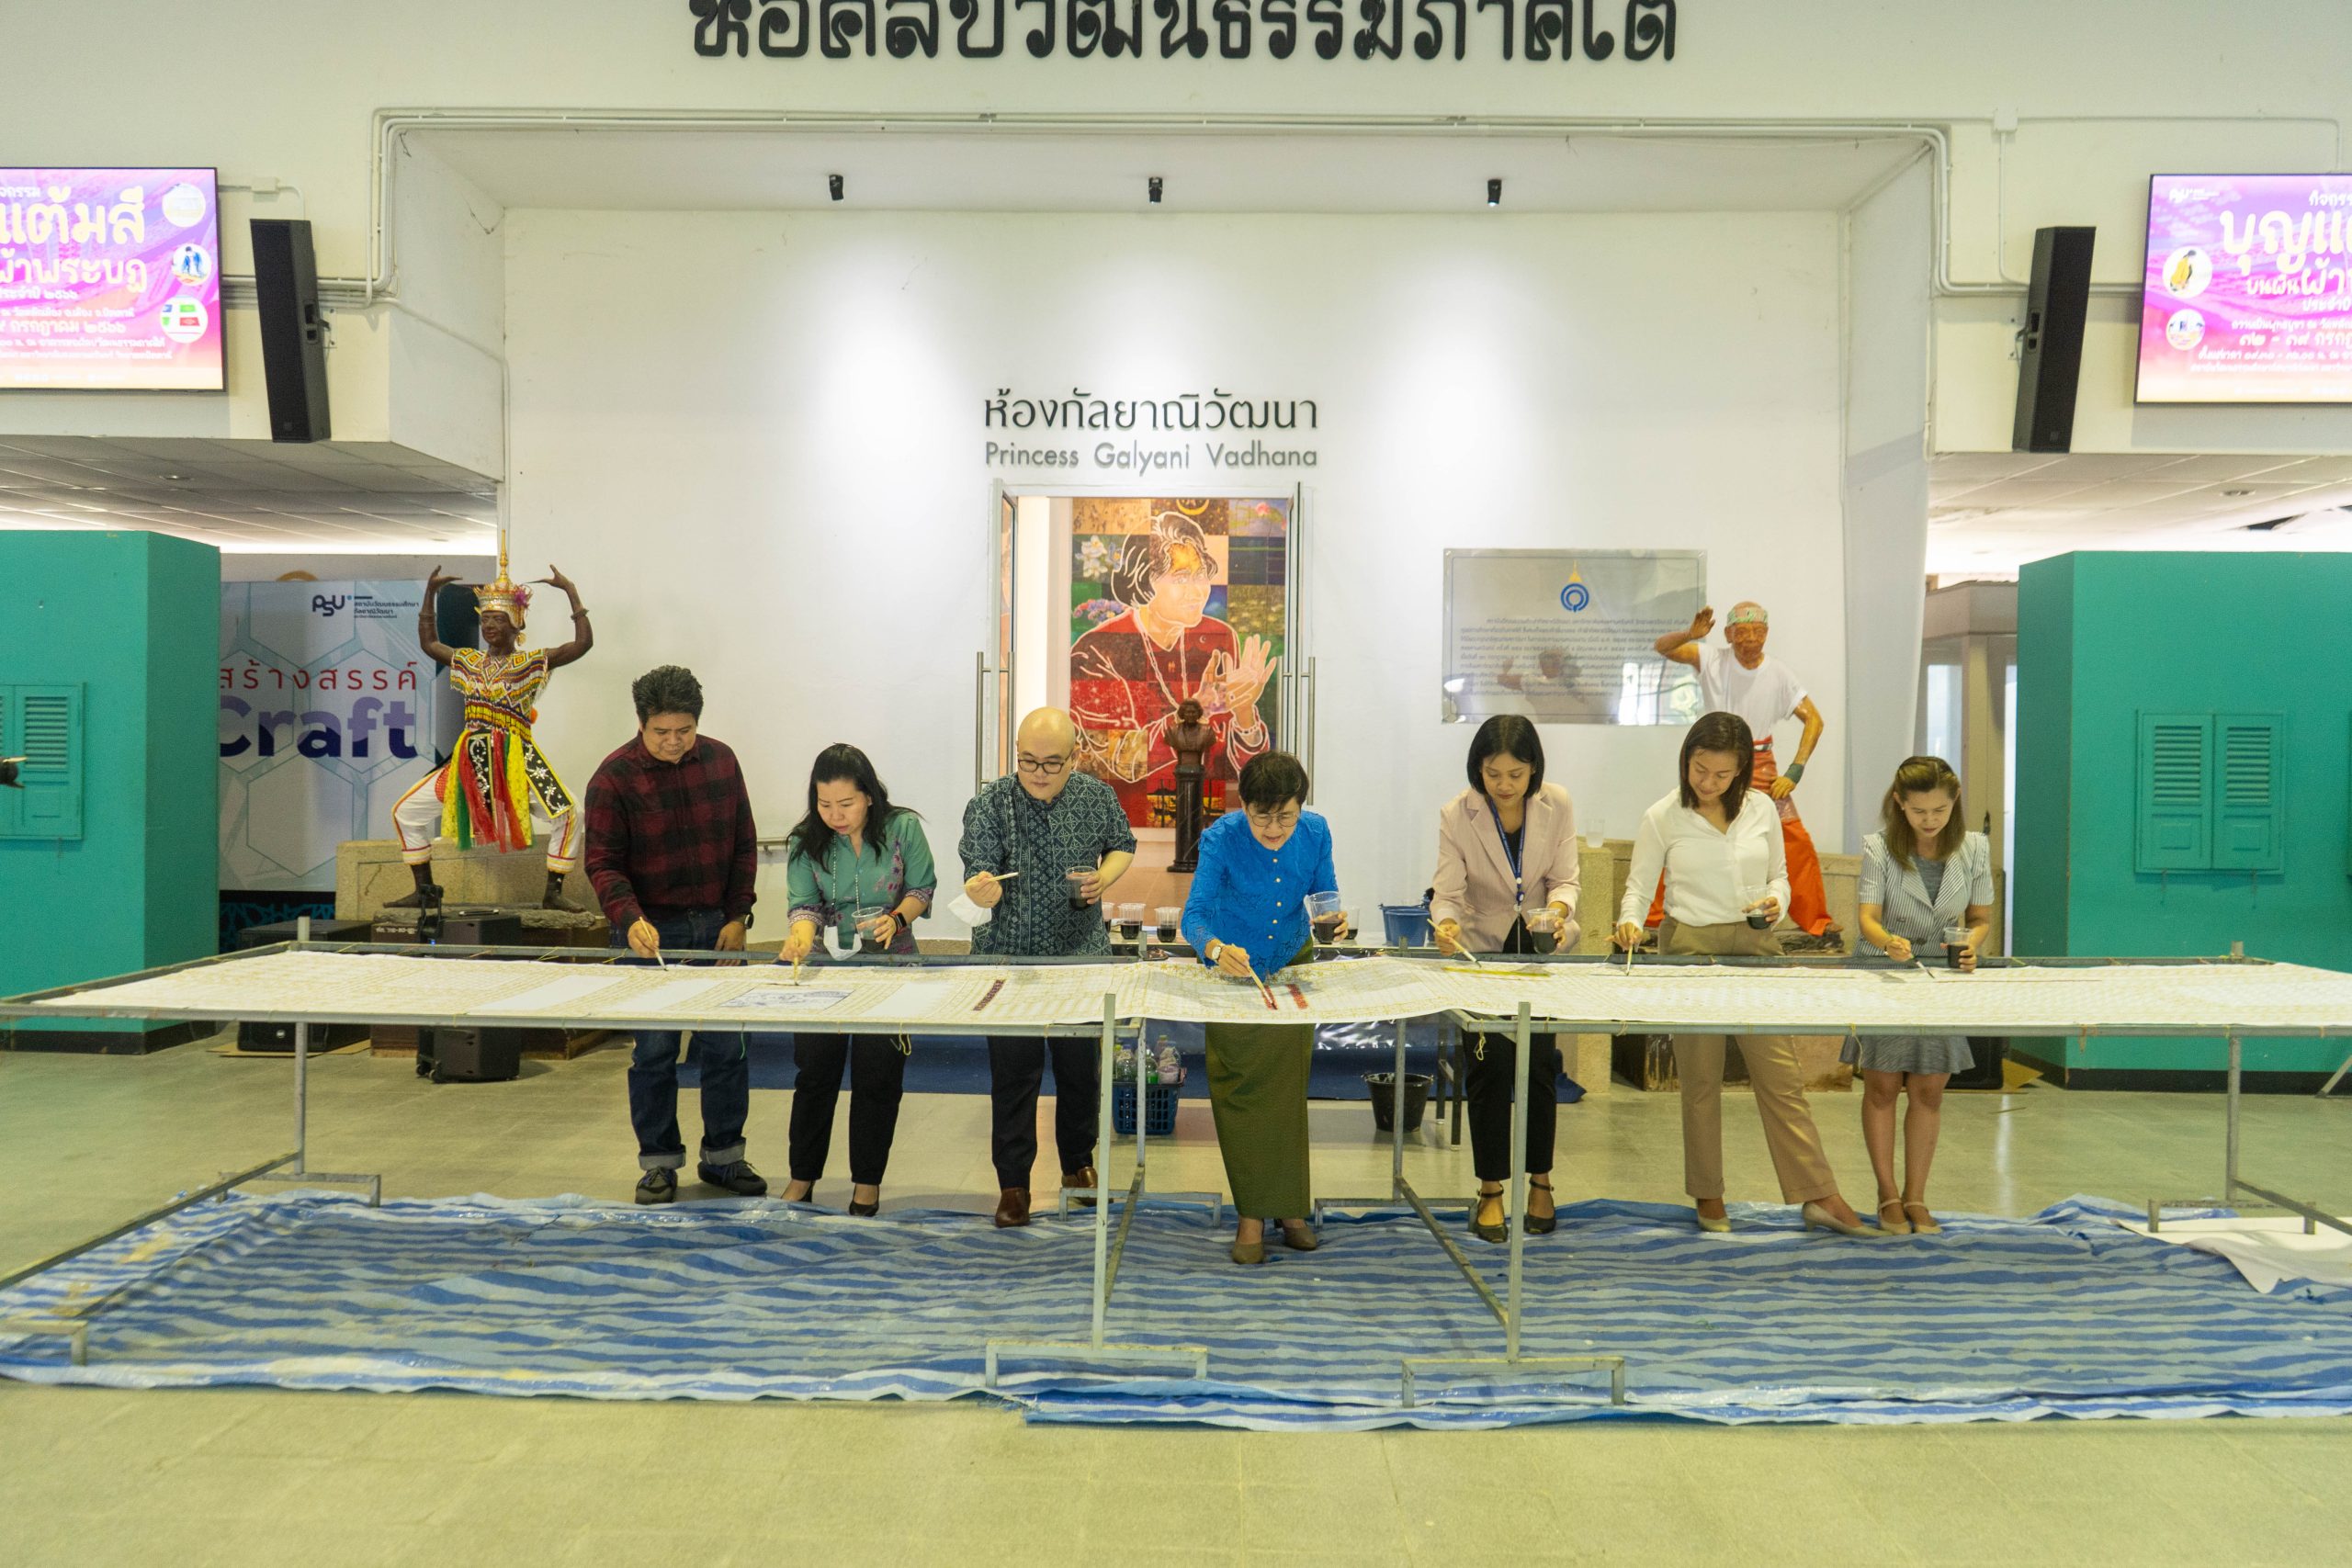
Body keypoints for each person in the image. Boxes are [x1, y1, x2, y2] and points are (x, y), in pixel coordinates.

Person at [1614, 712, 1871, 1237]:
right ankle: (1708, 1194)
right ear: (1686, 760)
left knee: (1780, 1077)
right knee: (1700, 1080)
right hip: (1690, 946)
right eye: (1699, 769)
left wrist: (1776, 902)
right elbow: (1638, 889)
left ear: (1741, 773)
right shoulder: (1663, 815)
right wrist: (1629, 924)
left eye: (1721, 774)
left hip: (1755, 945)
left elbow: (1780, 877)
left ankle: (1819, 1194)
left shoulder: (1762, 809)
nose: (1707, 783)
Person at [582, 665, 765, 1205]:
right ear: (641, 723)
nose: (673, 741)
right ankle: (659, 1164)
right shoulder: (613, 778)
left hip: (717, 926)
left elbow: (744, 844)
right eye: (661, 731)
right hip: (649, 931)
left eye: (684, 730)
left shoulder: (722, 761)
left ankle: (724, 1157)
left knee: (727, 1048)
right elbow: (602, 863)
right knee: (655, 1053)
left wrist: (739, 915)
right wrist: (629, 918)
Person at [960, 706, 1138, 1228]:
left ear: (1074, 758)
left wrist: (1105, 877)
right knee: (1013, 1075)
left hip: (1079, 955)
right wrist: (981, 888)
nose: (1038, 773)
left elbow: (1122, 845)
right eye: (1028, 761)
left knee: (1080, 1070)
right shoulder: (991, 802)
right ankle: (1013, 1183)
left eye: (1052, 763)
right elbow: (976, 870)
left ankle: (1078, 1165)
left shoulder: (1096, 796)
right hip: (1008, 957)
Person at [1427, 716, 1581, 1243]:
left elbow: (1565, 880)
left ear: (1534, 768)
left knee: (1539, 1067)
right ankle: (1490, 1189)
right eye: (1493, 774)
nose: (1505, 785)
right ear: (1478, 769)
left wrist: (1559, 912)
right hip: (1482, 953)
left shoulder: (1557, 803)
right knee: (1488, 1069)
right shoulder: (1457, 814)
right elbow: (1447, 892)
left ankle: (1541, 1182)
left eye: (1516, 774)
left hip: (1538, 947)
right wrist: (1447, 924)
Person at [1181, 750, 1335, 1265]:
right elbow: (1194, 915)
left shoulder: (1316, 832)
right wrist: (1214, 949)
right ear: (1242, 806)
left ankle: (1290, 1210)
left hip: (1290, 964)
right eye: (1261, 816)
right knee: (1240, 1093)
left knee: (1286, 1092)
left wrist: (1333, 919)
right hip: (1234, 969)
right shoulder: (1221, 839)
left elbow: (1325, 896)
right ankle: (1251, 1215)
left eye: (1285, 816)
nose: (1273, 829)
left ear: (1300, 807)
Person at [390, 542, 594, 911]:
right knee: (404, 812)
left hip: (518, 759)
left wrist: (571, 592)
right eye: (485, 620)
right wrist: (430, 595)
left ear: (517, 624)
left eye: (497, 619)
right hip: (470, 761)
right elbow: (429, 643)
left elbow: (582, 645)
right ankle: (424, 890)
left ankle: (553, 891)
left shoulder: (532, 663)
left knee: (570, 814)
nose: (488, 626)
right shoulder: (468, 662)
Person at [777, 744, 936, 1215]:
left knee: (878, 1078)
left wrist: (897, 919)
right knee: (814, 1075)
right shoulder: (804, 840)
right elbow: (804, 906)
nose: (835, 816)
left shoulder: (902, 828)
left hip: (890, 968)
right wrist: (800, 938)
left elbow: (921, 888)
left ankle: (867, 1184)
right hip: (825, 970)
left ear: (868, 795)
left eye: (846, 804)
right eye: (824, 804)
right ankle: (801, 1178)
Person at [1849, 755, 1996, 1236]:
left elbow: (1980, 919)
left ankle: (1916, 1196)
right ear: (1899, 804)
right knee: (1882, 1086)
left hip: (1941, 978)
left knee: (1930, 1089)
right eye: (1918, 811)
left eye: (1940, 810)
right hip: (1886, 972)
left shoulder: (1974, 848)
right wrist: (1886, 941)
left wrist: (1971, 946)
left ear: (1955, 802)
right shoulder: (1879, 848)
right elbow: (1867, 918)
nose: (1930, 820)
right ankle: (1887, 1195)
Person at [1069, 509, 1276, 827]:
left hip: (1209, 823)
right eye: (1181, 578)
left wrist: (1245, 715)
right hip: (1122, 829)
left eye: (1201, 574)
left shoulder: (1219, 639)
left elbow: (1246, 774)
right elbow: (1117, 759)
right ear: (1144, 580)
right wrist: (1199, 709)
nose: (1198, 590)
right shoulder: (1097, 649)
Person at [1653, 602, 1836, 940]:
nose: (1750, 638)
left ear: (1767, 634)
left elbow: (1814, 720)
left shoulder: (1779, 673)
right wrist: (1690, 634)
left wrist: (1794, 771)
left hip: (1761, 765)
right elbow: (1662, 647)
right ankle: (1653, 919)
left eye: (1758, 631)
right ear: (1728, 634)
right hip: (1715, 763)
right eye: (1742, 631)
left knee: (1793, 837)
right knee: (1685, 830)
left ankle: (1816, 922)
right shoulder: (1710, 658)